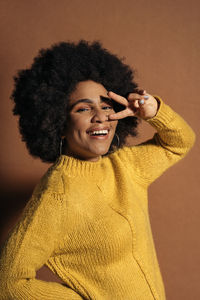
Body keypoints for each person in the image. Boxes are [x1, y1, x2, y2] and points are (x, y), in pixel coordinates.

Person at [0, 40, 195, 300]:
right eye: (83, 108)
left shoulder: (125, 166)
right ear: (57, 122)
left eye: (106, 106)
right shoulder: (58, 194)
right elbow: (9, 283)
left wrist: (152, 111)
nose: (100, 116)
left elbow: (180, 142)